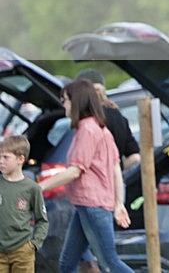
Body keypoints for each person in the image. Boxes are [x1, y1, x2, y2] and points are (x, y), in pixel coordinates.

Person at [38, 80, 134, 273]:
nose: (63, 104)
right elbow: (116, 167)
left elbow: (75, 170)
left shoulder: (87, 130)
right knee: (67, 264)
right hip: (87, 206)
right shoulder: (100, 128)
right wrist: (118, 203)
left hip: (92, 207)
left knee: (109, 262)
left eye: (65, 100)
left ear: (77, 101)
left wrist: (39, 187)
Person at [75, 69, 141, 171]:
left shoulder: (87, 121)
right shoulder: (119, 117)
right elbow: (135, 157)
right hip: (116, 183)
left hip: (93, 184)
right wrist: (115, 171)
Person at [0, 136, 48, 273]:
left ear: (20, 159)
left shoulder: (32, 189)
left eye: (5, 157)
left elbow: (42, 220)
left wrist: (34, 244)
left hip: (22, 251)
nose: (1, 161)